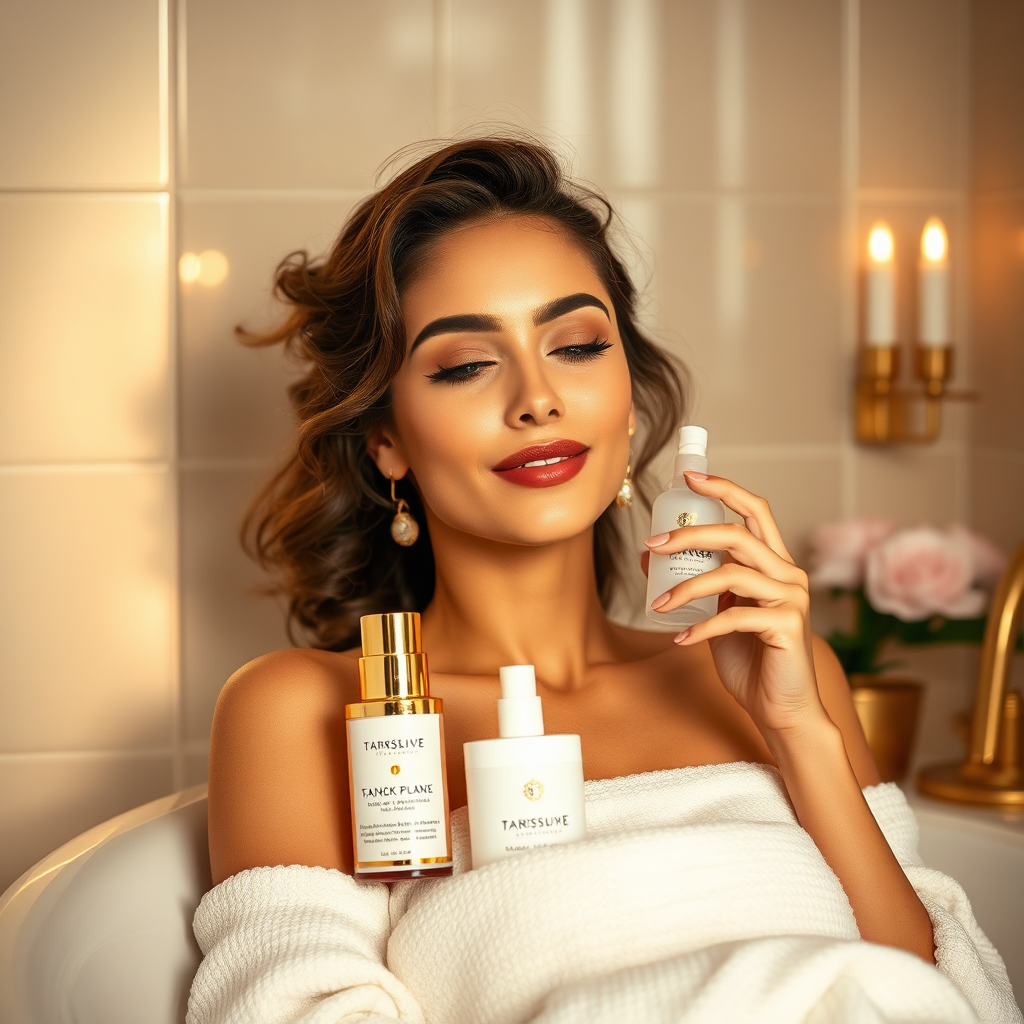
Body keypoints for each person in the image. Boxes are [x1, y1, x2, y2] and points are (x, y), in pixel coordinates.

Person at [207, 136, 936, 969]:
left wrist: (799, 730)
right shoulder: (306, 711)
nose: (539, 399)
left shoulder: (778, 675)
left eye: (578, 347)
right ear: (386, 441)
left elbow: (932, 983)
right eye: (468, 365)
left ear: (627, 402)